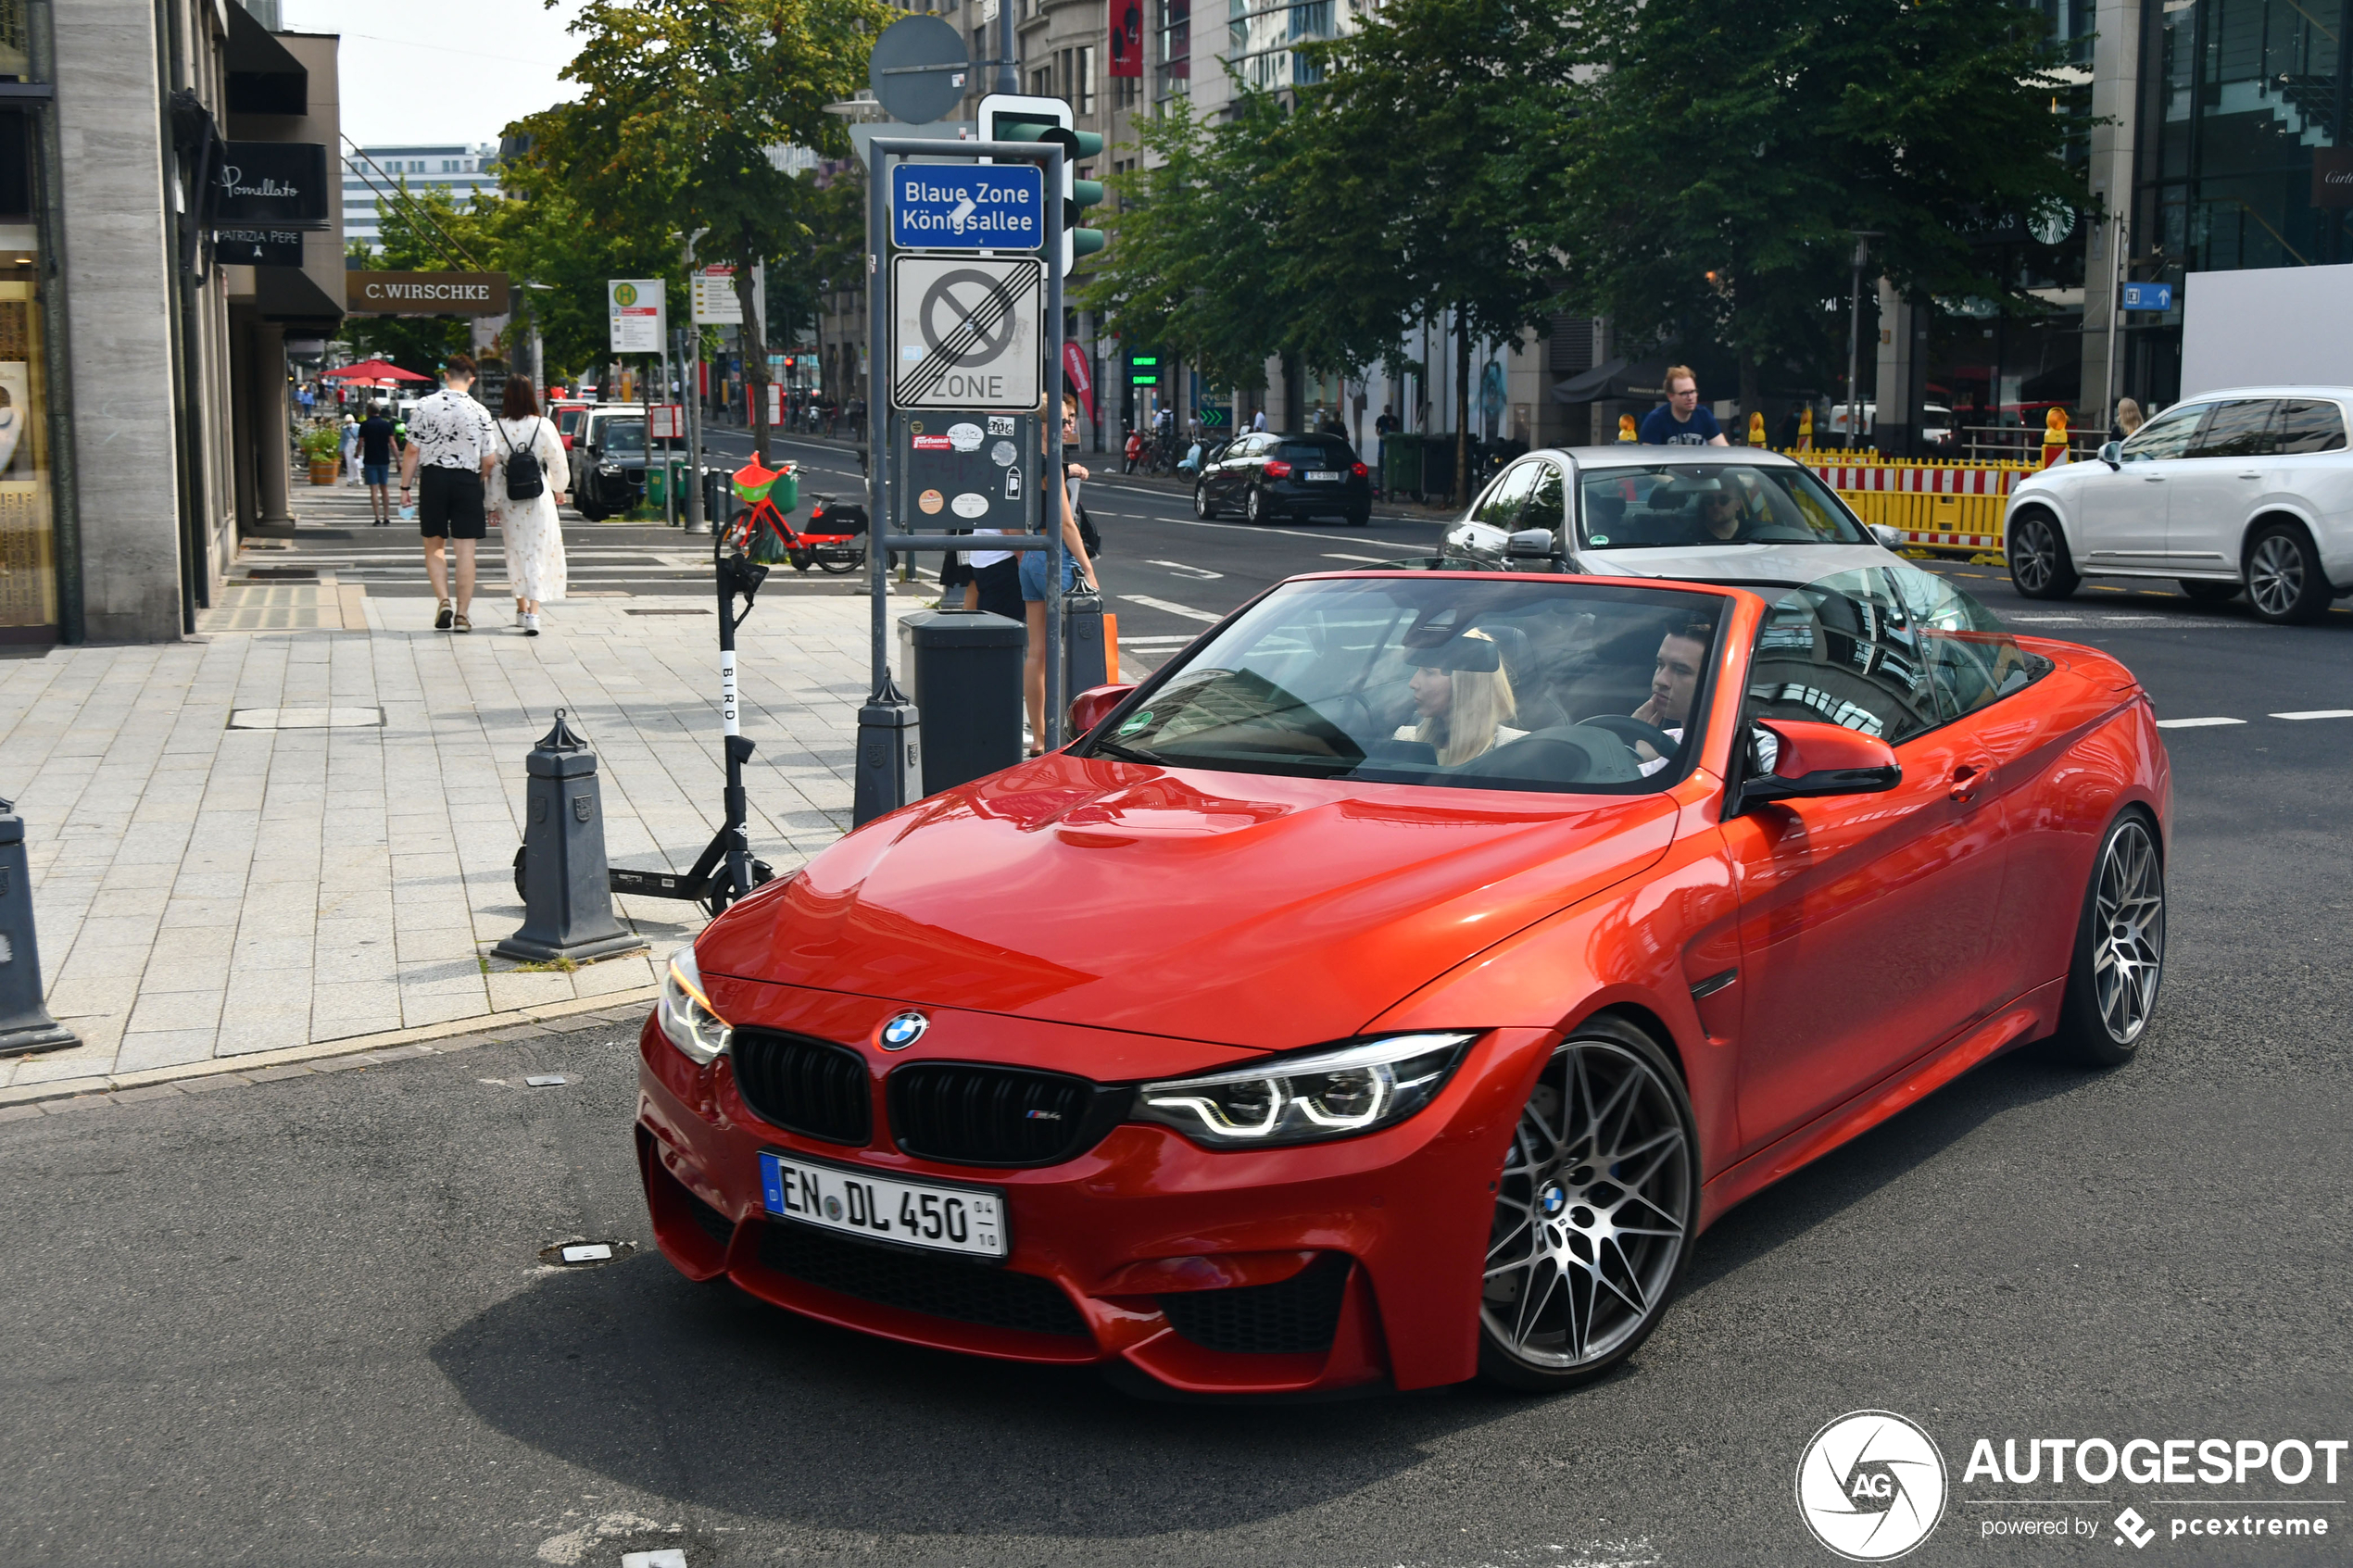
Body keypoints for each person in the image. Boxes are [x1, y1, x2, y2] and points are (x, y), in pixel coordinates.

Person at [1020, 397, 1101, 755]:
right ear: (1046, 426)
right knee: (1082, 642)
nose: (1070, 427)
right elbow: (1066, 523)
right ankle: (1083, 735)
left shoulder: (1021, 460)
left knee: (1037, 651)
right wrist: (1088, 567)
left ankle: (1040, 738)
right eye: (1065, 421)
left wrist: (1024, 554)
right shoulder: (1051, 464)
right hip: (1058, 557)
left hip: (1030, 559)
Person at [396, 354, 498, 632]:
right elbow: (490, 459)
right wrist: (478, 477)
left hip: (434, 478)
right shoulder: (480, 411)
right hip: (467, 479)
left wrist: (405, 487)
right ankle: (463, 615)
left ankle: (443, 601)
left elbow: (412, 450)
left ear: (446, 376)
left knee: (434, 545)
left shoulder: (425, 406)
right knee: (466, 550)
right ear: (472, 380)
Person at [486, 374, 570, 636]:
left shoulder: (496, 427)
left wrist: (492, 504)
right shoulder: (543, 425)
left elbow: (495, 469)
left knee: (515, 552)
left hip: (511, 499)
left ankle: (521, 608)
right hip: (538, 495)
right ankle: (534, 613)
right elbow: (557, 459)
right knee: (537, 551)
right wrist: (559, 488)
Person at [1397, 629, 1524, 766]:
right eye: (1418, 670)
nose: (1413, 683)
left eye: (1428, 672)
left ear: (1465, 684)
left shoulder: (1515, 753)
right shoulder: (1405, 739)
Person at [1629, 618, 1716, 775]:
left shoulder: (1759, 752)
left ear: (1717, 678)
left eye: (1681, 670)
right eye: (1660, 665)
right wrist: (1628, 751)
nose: (1661, 680)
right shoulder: (1659, 743)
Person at [1639, 366, 1730, 446]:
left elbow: (1724, 452)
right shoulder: (1655, 420)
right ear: (1671, 396)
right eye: (1684, 393)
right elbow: (1648, 457)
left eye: (1693, 392)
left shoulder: (1704, 415)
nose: (1690, 397)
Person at [359, 402, 397, 525]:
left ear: (369, 411)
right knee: (384, 489)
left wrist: (357, 453)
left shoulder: (364, 425)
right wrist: (397, 460)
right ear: (379, 411)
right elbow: (392, 443)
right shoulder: (386, 425)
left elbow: (360, 443)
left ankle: (377, 517)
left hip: (370, 460)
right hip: (383, 460)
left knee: (373, 490)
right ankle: (387, 516)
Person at [339, 412, 361, 486]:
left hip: (355, 444)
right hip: (347, 445)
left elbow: (358, 436)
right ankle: (350, 479)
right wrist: (340, 449)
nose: (349, 423)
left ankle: (358, 478)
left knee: (356, 463)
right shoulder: (344, 429)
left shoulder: (358, 427)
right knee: (349, 463)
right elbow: (342, 439)